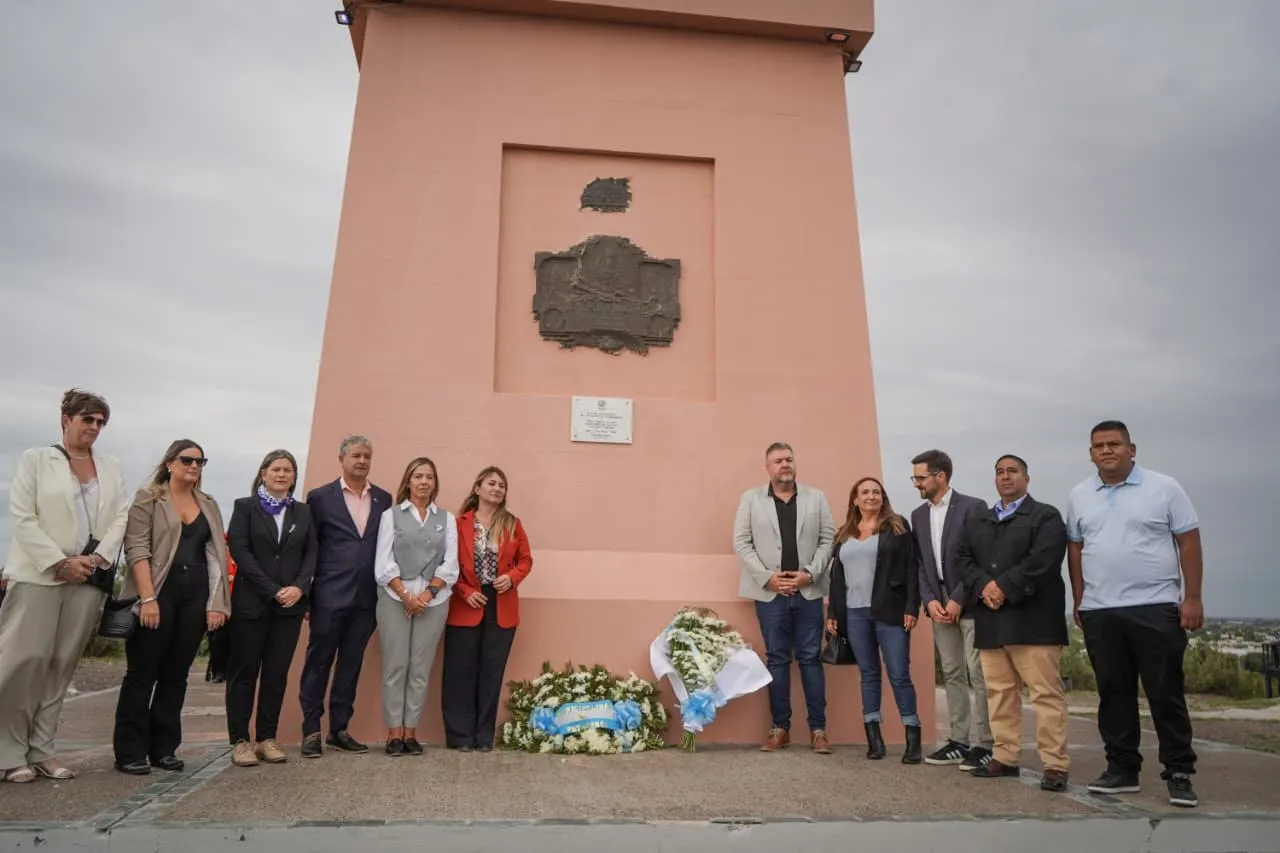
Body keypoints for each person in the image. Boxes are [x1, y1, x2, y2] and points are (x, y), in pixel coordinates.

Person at [1066, 420, 1204, 808]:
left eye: (1114, 444)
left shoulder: (1164, 488)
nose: (1106, 451)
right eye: (1098, 446)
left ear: (1132, 449)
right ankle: (1122, 769)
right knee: (1113, 693)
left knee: (1165, 693)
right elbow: (1075, 547)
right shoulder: (1079, 495)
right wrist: (1079, 597)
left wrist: (1192, 597)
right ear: (1090, 454)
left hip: (1155, 606)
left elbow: (1188, 541)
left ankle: (1179, 772)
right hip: (1100, 609)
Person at [0, 389, 129, 783]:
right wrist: (59, 562)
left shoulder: (111, 467)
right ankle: (8, 753)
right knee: (23, 662)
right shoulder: (36, 460)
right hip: (39, 575)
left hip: (88, 578)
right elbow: (23, 517)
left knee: (61, 665)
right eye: (87, 419)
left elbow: (121, 517)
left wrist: (95, 560)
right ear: (66, 419)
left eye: (100, 422)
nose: (94, 427)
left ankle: (42, 749)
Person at [113, 440, 230, 775]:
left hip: (195, 596)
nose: (194, 466)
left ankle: (164, 749)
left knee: (176, 676)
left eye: (200, 461)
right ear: (170, 463)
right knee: (142, 673)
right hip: (158, 593)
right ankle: (130, 751)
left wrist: (216, 603)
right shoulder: (149, 498)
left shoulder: (208, 504)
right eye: (187, 460)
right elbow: (137, 548)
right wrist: (147, 598)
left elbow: (217, 556)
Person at [957, 455, 1070, 791]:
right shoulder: (979, 520)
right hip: (991, 619)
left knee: (1045, 694)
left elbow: (1044, 560)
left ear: (1027, 478)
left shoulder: (1045, 516)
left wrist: (1004, 587)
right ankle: (1005, 756)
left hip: (1034, 621)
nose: (1005, 477)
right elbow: (963, 559)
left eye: (1013, 471)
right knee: (999, 692)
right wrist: (984, 587)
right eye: (999, 472)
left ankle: (1055, 764)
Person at [733, 442, 835, 753]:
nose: (784, 464)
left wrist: (810, 574)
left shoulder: (816, 498)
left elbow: (828, 539)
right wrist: (768, 578)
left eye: (789, 459)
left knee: (810, 659)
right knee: (777, 659)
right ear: (768, 468)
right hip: (770, 594)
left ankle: (818, 730)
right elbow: (742, 542)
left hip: (808, 591)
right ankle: (780, 728)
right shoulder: (750, 499)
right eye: (778, 461)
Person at [298, 435, 392, 758]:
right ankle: (311, 730)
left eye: (367, 456)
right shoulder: (320, 498)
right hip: (328, 595)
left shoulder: (383, 499)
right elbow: (309, 548)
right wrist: (307, 595)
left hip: (366, 599)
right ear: (342, 459)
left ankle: (339, 729)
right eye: (356, 455)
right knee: (318, 663)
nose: (362, 461)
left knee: (350, 665)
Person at [225, 450, 318, 767]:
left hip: (289, 607)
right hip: (252, 603)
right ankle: (240, 741)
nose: (282, 474)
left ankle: (267, 738)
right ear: (263, 473)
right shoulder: (244, 507)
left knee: (276, 675)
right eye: (276, 469)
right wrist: (273, 589)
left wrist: (299, 587)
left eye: (288, 470)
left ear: (294, 477)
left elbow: (311, 554)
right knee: (244, 674)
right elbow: (240, 550)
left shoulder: (303, 512)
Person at [825, 477, 922, 763]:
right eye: (865, 492)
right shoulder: (844, 533)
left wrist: (911, 606)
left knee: (899, 673)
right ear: (855, 500)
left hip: (890, 610)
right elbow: (836, 577)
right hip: (854, 613)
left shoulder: (897, 527)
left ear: (883, 497)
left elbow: (911, 569)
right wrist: (833, 613)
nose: (871, 496)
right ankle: (874, 740)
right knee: (868, 673)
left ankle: (913, 738)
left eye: (876, 492)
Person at [908, 449, 992, 770]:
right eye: (915, 478)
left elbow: (981, 557)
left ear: (940, 476)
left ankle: (985, 744)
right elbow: (920, 564)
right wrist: (930, 600)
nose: (916, 484)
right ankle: (959, 740)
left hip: (968, 601)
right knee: (953, 672)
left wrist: (958, 597)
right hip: (937, 603)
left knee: (978, 673)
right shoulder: (918, 515)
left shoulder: (973, 507)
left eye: (920, 477)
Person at [443, 466, 533, 751]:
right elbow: (447, 564)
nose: (497, 488)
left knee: (491, 673)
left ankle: (483, 737)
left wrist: (512, 577)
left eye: (501, 485)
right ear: (477, 489)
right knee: (460, 671)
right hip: (466, 602)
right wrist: (464, 591)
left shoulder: (512, 524)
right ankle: (460, 737)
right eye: (491, 483)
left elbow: (525, 560)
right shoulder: (458, 523)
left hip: (501, 603)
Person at [374, 457, 458, 755]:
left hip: (434, 601)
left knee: (420, 668)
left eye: (429, 477)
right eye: (418, 476)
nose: (424, 481)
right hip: (395, 599)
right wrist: (406, 595)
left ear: (435, 483)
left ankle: (411, 731)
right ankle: (394, 732)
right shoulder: (391, 516)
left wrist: (427, 595)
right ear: (408, 481)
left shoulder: (446, 519)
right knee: (395, 665)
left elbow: (451, 562)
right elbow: (383, 561)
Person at [205, 535, 236, 684]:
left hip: (236, 603)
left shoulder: (238, 556)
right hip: (220, 603)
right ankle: (218, 671)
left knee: (232, 640)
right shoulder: (218, 556)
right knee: (218, 640)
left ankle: (228, 670)